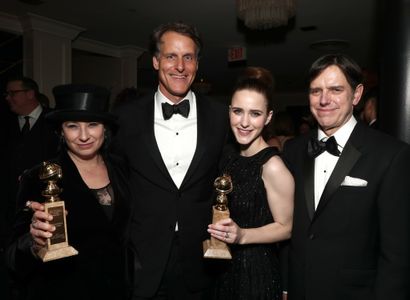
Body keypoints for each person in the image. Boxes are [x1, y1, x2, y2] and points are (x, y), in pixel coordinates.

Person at [112, 21, 230, 299]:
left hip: (201, 258)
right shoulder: (126, 118)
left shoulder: (220, 117)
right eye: (171, 56)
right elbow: (112, 179)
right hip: (142, 257)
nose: (180, 66)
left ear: (197, 64)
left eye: (188, 57)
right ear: (155, 62)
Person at [283, 54, 410, 300]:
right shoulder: (293, 150)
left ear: (357, 94)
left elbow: (397, 254)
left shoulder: (391, 155)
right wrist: (286, 285)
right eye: (315, 90)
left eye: (336, 89)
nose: (323, 100)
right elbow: (291, 228)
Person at [5, 84, 133, 300]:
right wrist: (34, 243)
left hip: (119, 290)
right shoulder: (38, 177)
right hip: (63, 291)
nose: (84, 136)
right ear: (61, 131)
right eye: (73, 126)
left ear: (105, 128)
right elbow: (12, 258)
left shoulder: (122, 168)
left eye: (93, 124)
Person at [207, 77, 294, 300]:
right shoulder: (228, 156)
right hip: (222, 271)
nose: (244, 122)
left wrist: (242, 235)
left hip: (255, 274)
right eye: (238, 111)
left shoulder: (272, 166)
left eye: (255, 113)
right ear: (229, 112)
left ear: (268, 118)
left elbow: (287, 227)